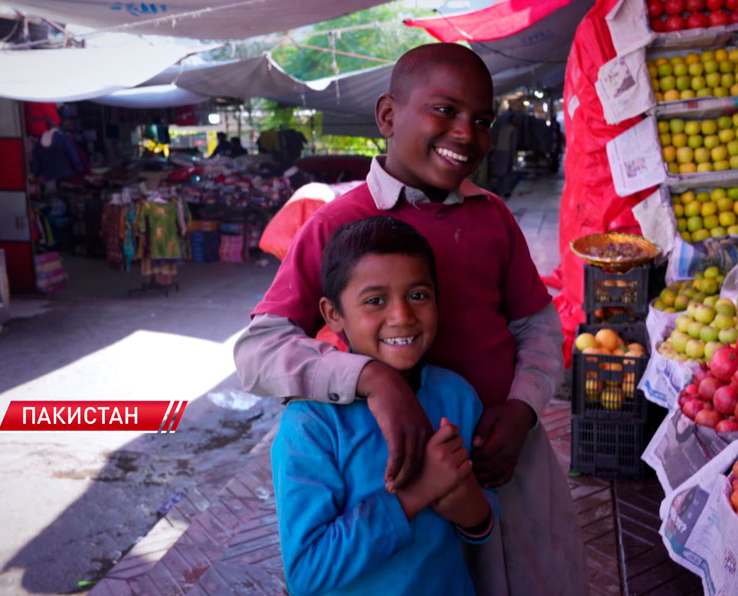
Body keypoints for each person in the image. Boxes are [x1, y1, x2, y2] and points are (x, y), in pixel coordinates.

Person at [234, 42, 585, 596]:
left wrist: (521, 410)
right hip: (381, 478)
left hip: (500, 463)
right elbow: (258, 351)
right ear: (388, 116)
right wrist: (370, 381)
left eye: (482, 119)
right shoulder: (335, 225)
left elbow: (537, 326)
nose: (466, 133)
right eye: (445, 110)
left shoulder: (491, 215)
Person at [271, 216, 496, 596]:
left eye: (418, 295)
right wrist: (415, 495)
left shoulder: (457, 396)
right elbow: (306, 574)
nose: (402, 316)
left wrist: (469, 506)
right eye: (375, 301)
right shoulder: (311, 424)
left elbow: (481, 525)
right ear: (333, 314)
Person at [489, 113, 519, 198]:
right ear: (512, 121)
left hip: (498, 151)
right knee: (507, 172)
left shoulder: (502, 128)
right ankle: (506, 191)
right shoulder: (513, 129)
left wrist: (493, 152)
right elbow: (512, 144)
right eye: (516, 120)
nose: (517, 122)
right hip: (507, 152)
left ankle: (495, 188)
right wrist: (513, 156)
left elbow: (495, 139)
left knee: (498, 171)